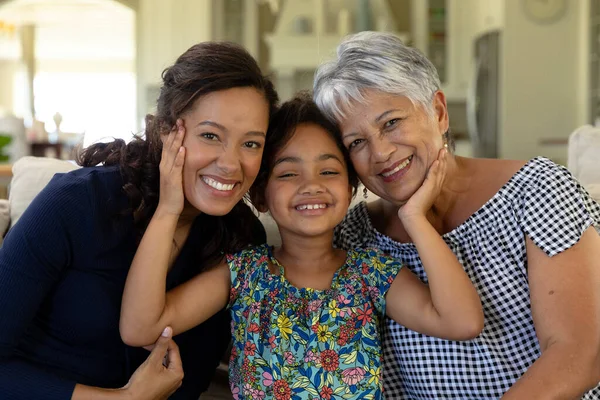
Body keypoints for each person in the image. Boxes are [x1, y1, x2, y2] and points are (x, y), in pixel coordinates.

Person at [119, 94, 484, 400]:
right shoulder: (245, 274)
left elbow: (463, 321)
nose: (311, 186)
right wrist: (169, 209)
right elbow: (141, 328)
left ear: (351, 189)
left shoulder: (371, 274)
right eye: (288, 173)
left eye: (328, 172)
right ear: (260, 195)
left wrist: (414, 217)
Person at [313, 31, 600, 399]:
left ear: (439, 111)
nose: (381, 152)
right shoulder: (352, 237)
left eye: (391, 123)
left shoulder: (538, 190)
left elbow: (578, 355)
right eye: (356, 142)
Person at [0, 41, 278, 399]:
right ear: (166, 130)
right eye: (210, 135)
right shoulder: (77, 202)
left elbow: (189, 378)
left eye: (251, 144)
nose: (230, 163)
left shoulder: (241, 237)